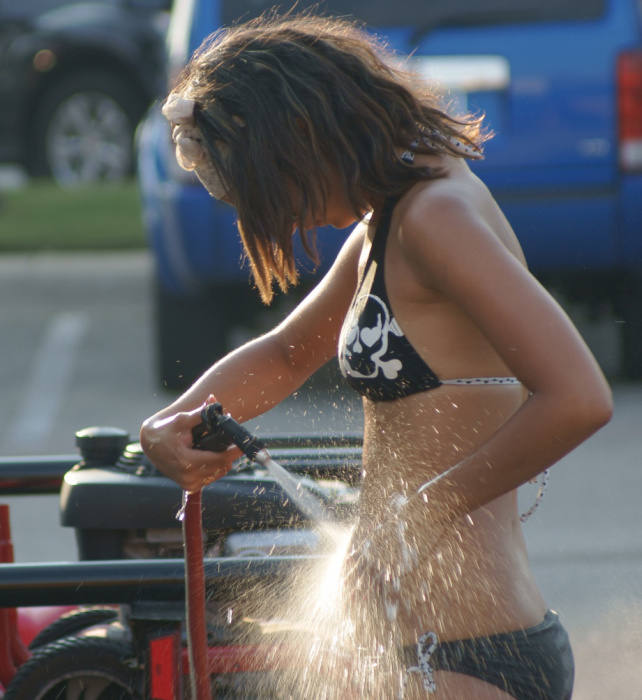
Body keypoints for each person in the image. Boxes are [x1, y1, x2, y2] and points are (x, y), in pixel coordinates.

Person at [140, 12, 613, 699]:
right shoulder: (382, 224)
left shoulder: (437, 216)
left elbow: (578, 397)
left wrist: (411, 516)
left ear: (303, 136)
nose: (291, 219)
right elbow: (285, 352)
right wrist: (172, 423)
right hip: (419, 652)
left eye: (275, 187)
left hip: (473, 655)